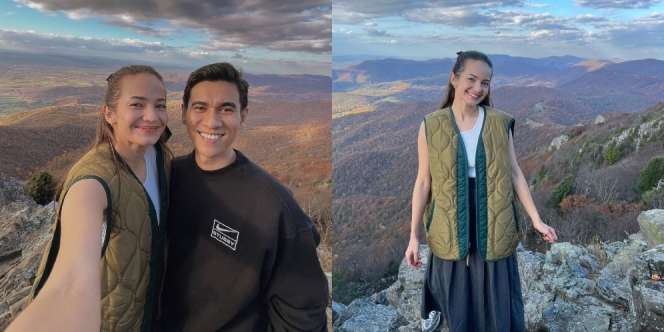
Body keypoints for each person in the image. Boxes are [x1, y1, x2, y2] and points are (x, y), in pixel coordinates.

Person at [159, 62, 328, 331]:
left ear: (243, 115)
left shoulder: (273, 206)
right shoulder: (166, 178)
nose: (212, 121)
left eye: (226, 109)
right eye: (200, 107)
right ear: (183, 113)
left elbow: (303, 312)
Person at [7, 65, 171, 332]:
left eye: (160, 105)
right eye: (137, 104)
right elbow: (71, 283)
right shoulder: (92, 182)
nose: (152, 116)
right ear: (109, 113)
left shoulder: (158, 156)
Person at [404, 51, 558, 332]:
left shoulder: (500, 123)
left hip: (494, 219)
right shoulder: (431, 125)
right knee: (457, 304)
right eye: (471, 79)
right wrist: (413, 237)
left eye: (485, 83)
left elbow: (514, 173)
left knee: (496, 299)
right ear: (454, 78)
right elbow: (423, 181)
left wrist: (536, 219)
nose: (478, 88)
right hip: (449, 223)